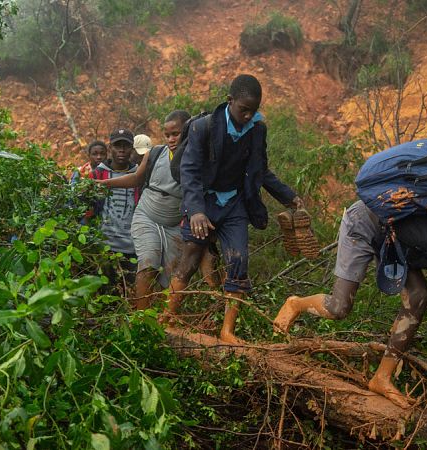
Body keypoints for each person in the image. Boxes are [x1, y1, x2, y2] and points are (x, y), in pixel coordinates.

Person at [273, 201, 427, 408]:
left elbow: (418, 238)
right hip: (366, 223)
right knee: (338, 307)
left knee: (420, 297)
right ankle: (295, 304)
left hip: (393, 238)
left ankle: (381, 378)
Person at [168, 74, 303, 344]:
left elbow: (260, 170)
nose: (248, 115)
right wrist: (195, 211)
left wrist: (289, 197)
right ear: (230, 101)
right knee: (191, 258)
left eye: (253, 110)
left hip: (234, 204)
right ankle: (167, 315)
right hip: (203, 202)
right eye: (244, 109)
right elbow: (190, 170)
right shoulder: (203, 127)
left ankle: (227, 331)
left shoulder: (257, 129)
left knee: (239, 260)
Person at [97, 111, 222, 309]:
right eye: (167, 135)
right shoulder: (156, 153)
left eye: (176, 133)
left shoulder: (200, 159)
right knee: (148, 263)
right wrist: (104, 183)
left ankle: (162, 319)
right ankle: (140, 318)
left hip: (174, 225)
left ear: (189, 131)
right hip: (147, 216)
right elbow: (137, 178)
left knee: (171, 276)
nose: (171, 139)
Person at [89, 129, 140, 289]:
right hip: (105, 245)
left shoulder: (139, 174)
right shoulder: (98, 174)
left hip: (132, 246)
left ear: (132, 149)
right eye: (118, 146)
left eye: (126, 146)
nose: (122, 150)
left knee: (130, 289)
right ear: (110, 148)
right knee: (106, 291)